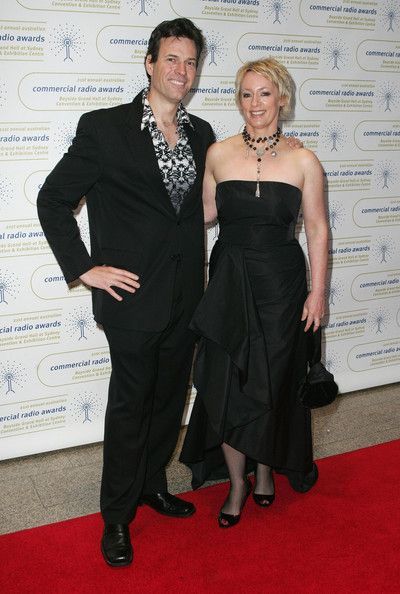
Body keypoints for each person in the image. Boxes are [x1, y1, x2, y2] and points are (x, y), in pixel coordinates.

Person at [37, 18, 216, 567]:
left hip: (186, 295)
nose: (181, 71)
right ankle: (116, 515)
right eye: (171, 59)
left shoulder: (203, 133)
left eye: (190, 61)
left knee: (169, 400)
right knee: (130, 405)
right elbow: (52, 199)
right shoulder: (105, 128)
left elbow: (202, 208)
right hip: (131, 298)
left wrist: (276, 150)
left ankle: (151, 485)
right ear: (149, 63)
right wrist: (85, 269)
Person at [180, 56, 329, 528]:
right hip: (230, 281)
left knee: (273, 382)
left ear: (282, 98)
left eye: (264, 93)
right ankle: (237, 483)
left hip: (282, 286)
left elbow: (318, 230)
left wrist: (318, 293)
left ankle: (265, 471)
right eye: (246, 94)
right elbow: (204, 215)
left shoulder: (304, 160)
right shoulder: (218, 153)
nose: (255, 103)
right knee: (228, 384)